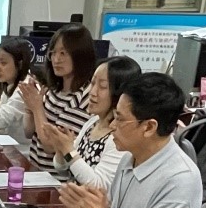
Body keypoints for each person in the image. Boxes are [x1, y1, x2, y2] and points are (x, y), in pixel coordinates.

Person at [58, 72, 202, 208]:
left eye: (119, 118)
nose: (112, 126)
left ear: (149, 127)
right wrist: (94, 206)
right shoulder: (129, 157)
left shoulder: (180, 179)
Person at [46, 55, 142, 189]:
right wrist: (61, 149)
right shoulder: (92, 122)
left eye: (102, 86)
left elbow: (98, 185)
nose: (92, 92)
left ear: (120, 93)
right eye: (92, 83)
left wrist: (68, 149)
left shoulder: (119, 137)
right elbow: (63, 168)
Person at [18, 23, 97, 171]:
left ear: (81, 56)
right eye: (53, 53)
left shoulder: (83, 99)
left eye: (63, 53)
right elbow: (29, 132)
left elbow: (51, 146)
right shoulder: (54, 90)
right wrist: (30, 108)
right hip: (35, 172)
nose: (56, 59)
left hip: (56, 179)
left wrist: (37, 108)